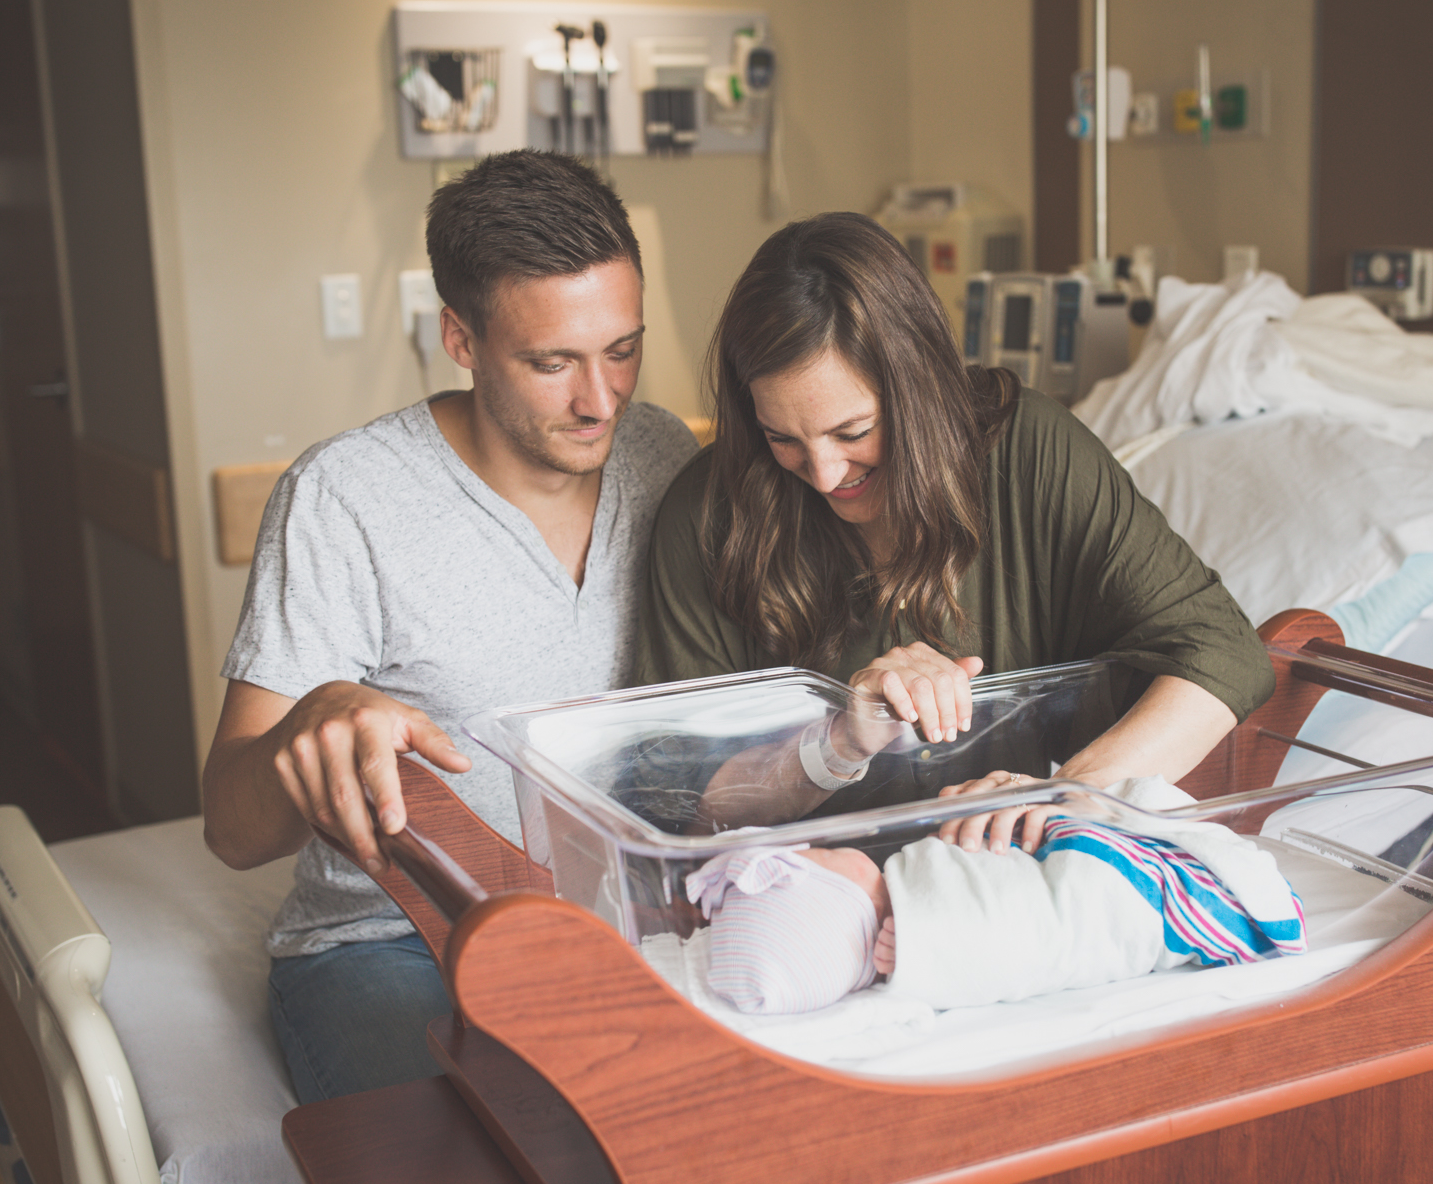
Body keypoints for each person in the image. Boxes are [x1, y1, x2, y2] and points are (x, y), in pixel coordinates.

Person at [201, 150, 700, 1100]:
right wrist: (311, 731)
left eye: (622, 348)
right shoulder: (345, 498)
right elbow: (230, 826)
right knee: (494, 1167)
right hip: (390, 942)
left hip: (617, 916)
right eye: (552, 363)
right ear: (462, 340)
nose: (601, 399)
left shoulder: (664, 455)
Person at [636, 212, 1273, 853]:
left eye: (853, 432)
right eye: (783, 439)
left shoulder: (1028, 451)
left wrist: (1067, 794)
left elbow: (1220, 651)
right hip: (807, 891)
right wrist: (837, 743)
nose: (824, 475)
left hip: (1001, 870)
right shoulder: (712, 515)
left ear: (921, 390)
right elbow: (683, 808)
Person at [684, 782, 1308, 1016]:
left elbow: (1002, 867)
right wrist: (934, 948)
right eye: (817, 860)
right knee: (1106, 883)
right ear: (834, 906)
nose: (820, 846)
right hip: (1122, 896)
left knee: (1125, 805)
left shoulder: (910, 877)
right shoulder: (925, 923)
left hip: (1069, 857)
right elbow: (1028, 941)